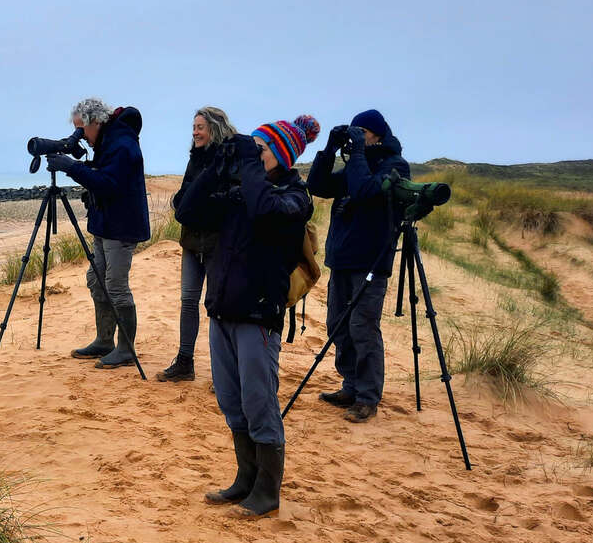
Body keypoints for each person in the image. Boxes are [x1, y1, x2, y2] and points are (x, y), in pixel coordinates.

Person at [175, 115, 318, 516]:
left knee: (259, 403)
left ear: (283, 156)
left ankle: (268, 491)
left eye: (263, 149)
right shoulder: (242, 189)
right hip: (222, 311)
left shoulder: (294, 197)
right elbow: (187, 211)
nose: (252, 156)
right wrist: (214, 164)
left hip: (258, 317)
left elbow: (262, 208)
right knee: (231, 401)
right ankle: (245, 478)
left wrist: (248, 164)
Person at [306, 109, 410, 423]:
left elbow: (366, 192)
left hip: (371, 260)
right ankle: (350, 386)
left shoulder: (395, 167)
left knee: (363, 329)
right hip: (343, 258)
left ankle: (367, 397)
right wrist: (329, 148)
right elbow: (319, 185)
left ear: (377, 134)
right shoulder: (357, 165)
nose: (357, 138)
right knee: (338, 324)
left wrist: (359, 154)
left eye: (361, 132)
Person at [44, 97, 150, 369]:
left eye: (83, 129)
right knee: (96, 279)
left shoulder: (122, 144)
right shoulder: (107, 142)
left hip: (121, 227)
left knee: (115, 284)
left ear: (95, 122)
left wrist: (71, 167)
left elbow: (109, 184)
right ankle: (105, 340)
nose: (81, 136)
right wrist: (79, 166)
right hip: (104, 224)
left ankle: (126, 349)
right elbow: (102, 175)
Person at [159, 106, 238, 382]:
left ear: (213, 128)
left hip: (218, 243)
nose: (195, 132)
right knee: (188, 300)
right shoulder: (195, 157)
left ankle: (225, 373)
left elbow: (227, 203)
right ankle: (184, 362)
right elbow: (182, 198)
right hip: (192, 240)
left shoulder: (230, 158)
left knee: (218, 304)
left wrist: (199, 204)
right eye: (193, 128)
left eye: (200, 127)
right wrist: (189, 204)